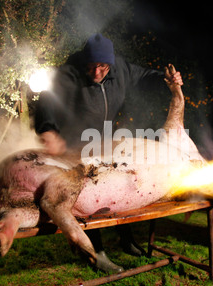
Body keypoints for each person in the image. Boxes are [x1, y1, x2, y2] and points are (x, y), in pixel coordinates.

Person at [34, 33, 183, 273]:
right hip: (75, 143)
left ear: (110, 64)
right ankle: (98, 251)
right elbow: (46, 99)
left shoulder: (120, 69)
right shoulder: (69, 73)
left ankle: (126, 238)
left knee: (118, 188)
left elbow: (145, 75)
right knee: (92, 196)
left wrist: (165, 79)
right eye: (90, 67)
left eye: (101, 67)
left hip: (104, 140)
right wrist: (48, 129)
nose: (95, 73)